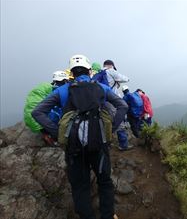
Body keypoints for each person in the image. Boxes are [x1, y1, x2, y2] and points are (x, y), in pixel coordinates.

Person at [32, 54, 127, 219]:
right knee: (104, 182)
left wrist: (57, 132)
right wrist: (110, 130)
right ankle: (108, 215)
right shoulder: (101, 88)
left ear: (71, 73)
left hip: (74, 146)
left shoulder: (62, 91)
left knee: (80, 186)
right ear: (90, 71)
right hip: (99, 143)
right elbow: (122, 105)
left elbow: (37, 112)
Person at [93, 60, 132, 151]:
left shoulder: (96, 74)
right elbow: (126, 79)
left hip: (98, 101)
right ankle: (123, 144)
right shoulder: (110, 71)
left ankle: (105, 142)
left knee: (102, 121)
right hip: (110, 101)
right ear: (111, 65)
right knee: (119, 121)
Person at [24, 70, 69, 145]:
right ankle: (52, 138)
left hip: (33, 120)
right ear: (65, 80)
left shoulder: (44, 87)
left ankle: (48, 135)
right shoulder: (57, 90)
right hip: (42, 121)